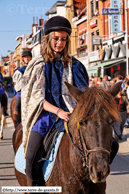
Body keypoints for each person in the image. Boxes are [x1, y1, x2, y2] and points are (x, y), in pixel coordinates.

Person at [21, 16, 119, 186]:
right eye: (56, 39)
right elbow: (37, 98)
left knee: (113, 145)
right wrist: (57, 111)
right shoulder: (38, 64)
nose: (60, 43)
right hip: (47, 115)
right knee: (31, 155)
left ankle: (95, 173)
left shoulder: (76, 66)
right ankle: (34, 189)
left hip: (73, 115)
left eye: (64, 39)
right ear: (48, 39)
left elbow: (84, 93)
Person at [13, 50, 32, 126]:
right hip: (22, 92)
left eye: (28, 57)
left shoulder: (35, 67)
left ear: (31, 58)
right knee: (17, 106)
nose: (27, 58)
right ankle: (18, 123)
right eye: (25, 57)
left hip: (33, 90)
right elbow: (19, 84)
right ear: (23, 59)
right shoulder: (20, 71)